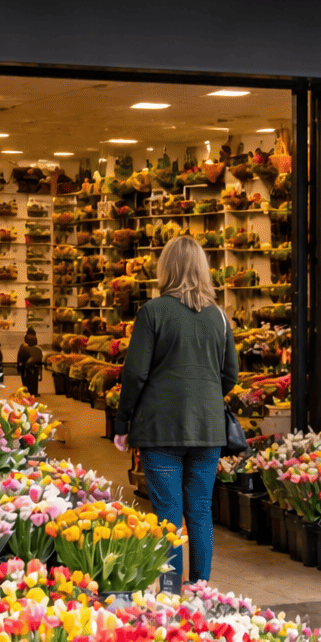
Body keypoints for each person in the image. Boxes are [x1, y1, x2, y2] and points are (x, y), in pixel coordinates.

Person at [114, 236, 239, 583]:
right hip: (207, 429)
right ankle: (202, 589)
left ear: (164, 268)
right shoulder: (219, 317)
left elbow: (136, 373)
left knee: (168, 514)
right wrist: (207, 398)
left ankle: (170, 594)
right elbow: (230, 374)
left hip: (160, 427)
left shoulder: (152, 312)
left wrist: (122, 423)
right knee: (200, 511)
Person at [17, 330, 44, 397]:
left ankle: (27, 392)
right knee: (34, 380)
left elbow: (20, 357)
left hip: (25, 367)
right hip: (35, 367)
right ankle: (34, 392)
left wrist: (18, 366)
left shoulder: (23, 347)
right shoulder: (38, 349)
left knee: (25, 380)